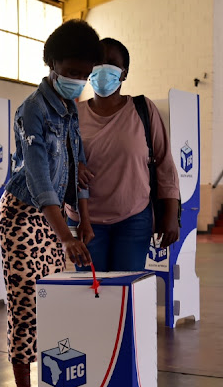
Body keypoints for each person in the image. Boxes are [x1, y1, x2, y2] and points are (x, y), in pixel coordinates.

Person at [0, 20, 102, 387]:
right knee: (25, 306)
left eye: (85, 74)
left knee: (54, 306)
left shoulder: (71, 111)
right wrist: (67, 236)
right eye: (73, 71)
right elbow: (40, 180)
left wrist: (84, 222)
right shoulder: (32, 111)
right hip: (26, 218)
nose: (79, 80)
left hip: (56, 219)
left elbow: (78, 168)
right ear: (53, 63)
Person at [67, 38, 180, 272]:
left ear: (124, 73)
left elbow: (165, 165)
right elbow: (55, 161)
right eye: (97, 62)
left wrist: (171, 215)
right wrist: (72, 167)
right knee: (92, 294)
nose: (102, 68)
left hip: (133, 220)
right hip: (85, 222)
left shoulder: (143, 109)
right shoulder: (74, 115)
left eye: (110, 63)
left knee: (126, 294)